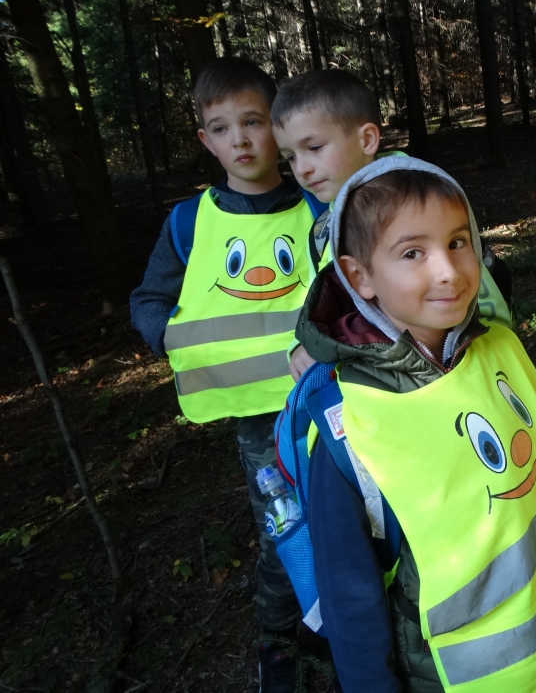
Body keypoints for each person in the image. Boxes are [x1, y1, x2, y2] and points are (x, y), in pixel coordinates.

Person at [297, 155, 536, 692]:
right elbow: (349, 592)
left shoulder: (502, 349)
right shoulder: (350, 423)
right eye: (413, 253)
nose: (447, 270)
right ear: (358, 276)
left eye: (458, 242)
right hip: (456, 676)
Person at [130, 57, 319, 693]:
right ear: (205, 139)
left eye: (254, 122)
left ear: (279, 125)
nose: (240, 140)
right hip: (258, 418)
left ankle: (353, 629)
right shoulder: (190, 222)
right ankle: (278, 643)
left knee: (357, 515)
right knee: (284, 529)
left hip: (338, 399)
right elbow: (150, 298)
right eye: (221, 127)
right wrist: (173, 340)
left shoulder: (320, 202)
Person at [269, 69, 512, 381]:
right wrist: (306, 343)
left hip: (456, 374)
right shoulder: (322, 232)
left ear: (367, 139)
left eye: (314, 148)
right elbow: (327, 304)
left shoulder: (422, 201)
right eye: (290, 157)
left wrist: (494, 351)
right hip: (382, 383)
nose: (302, 169)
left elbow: (481, 299)